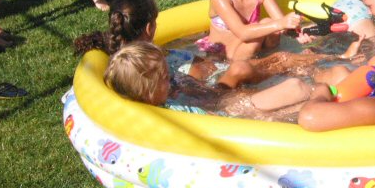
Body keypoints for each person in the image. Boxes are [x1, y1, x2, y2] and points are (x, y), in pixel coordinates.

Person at [73, 0, 323, 87]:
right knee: (281, 60)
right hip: (219, 86)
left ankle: (317, 59)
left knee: (277, 59)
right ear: (149, 27)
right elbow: (191, 86)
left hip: (218, 75)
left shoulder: (129, 56)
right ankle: (330, 58)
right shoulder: (151, 62)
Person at [104, 41, 320, 121]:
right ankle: (325, 94)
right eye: (163, 77)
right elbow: (214, 123)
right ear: (147, 91)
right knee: (296, 89)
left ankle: (320, 91)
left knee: (293, 87)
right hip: (231, 115)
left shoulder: (164, 98)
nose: (169, 77)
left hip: (227, 106)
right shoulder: (171, 114)